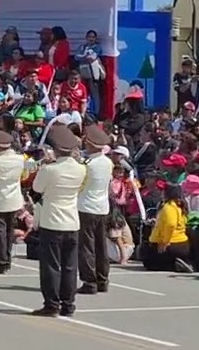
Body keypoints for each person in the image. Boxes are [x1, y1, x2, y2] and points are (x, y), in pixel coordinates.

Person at [31, 123, 85, 317]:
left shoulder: (50, 169)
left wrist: (45, 165)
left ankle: (52, 304)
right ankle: (68, 303)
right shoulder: (81, 169)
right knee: (70, 266)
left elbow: (36, 189)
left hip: (52, 220)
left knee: (51, 265)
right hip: (72, 220)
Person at [77, 124, 114, 294]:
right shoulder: (108, 162)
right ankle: (102, 278)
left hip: (86, 205)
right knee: (100, 245)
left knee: (86, 246)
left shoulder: (87, 164)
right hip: (102, 206)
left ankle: (89, 281)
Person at [0, 129, 26, 275]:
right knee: (9, 231)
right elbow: (25, 174)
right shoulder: (21, 159)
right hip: (14, 197)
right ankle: (7, 259)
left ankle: (0, 262)